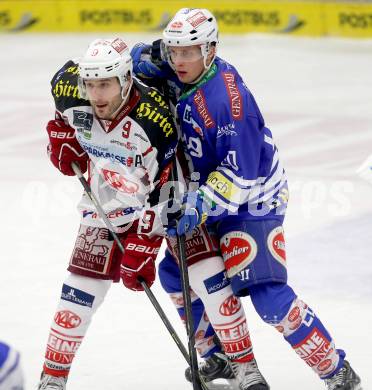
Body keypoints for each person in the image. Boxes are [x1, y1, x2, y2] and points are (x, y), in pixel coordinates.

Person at [131, 8, 362, 390]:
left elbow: (242, 174)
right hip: (207, 192)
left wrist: (198, 206)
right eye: (174, 51)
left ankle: (336, 370)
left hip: (254, 200)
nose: (179, 60)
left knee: (266, 294)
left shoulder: (227, 102)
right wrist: (150, 54)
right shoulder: (182, 66)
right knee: (175, 275)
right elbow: (141, 59)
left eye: (189, 51)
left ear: (211, 49)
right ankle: (219, 356)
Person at [37, 37, 268, 390]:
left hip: (172, 195)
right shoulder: (68, 87)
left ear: (125, 80)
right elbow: (62, 115)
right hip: (110, 192)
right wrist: (60, 133)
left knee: (209, 277)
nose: (96, 96)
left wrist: (143, 244)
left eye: (106, 85)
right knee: (79, 289)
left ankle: (245, 367)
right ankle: (52, 378)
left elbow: (165, 190)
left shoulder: (153, 120)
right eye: (91, 85)